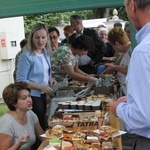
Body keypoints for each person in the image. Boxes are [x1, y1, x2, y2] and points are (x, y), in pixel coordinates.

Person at [109, 0, 150, 149]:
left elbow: (143, 116)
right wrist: (134, 98)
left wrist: (117, 108)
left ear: (132, 5)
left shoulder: (142, 51)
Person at [16, 23, 54, 131]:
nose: (40, 40)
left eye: (43, 37)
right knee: (38, 125)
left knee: (43, 121)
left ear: (47, 38)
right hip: (32, 95)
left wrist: (50, 79)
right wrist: (40, 86)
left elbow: (45, 71)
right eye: (37, 37)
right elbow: (20, 80)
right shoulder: (26, 56)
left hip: (42, 94)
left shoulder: (45, 52)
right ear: (32, 38)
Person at [0, 82, 45, 150]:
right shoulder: (7, 123)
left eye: (29, 96)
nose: (29, 100)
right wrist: (18, 143)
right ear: (14, 103)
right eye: (24, 98)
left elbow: (42, 136)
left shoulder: (30, 113)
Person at [102, 27, 132, 95]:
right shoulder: (125, 52)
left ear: (117, 44)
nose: (113, 48)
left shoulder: (131, 51)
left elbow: (132, 70)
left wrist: (115, 67)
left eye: (112, 45)